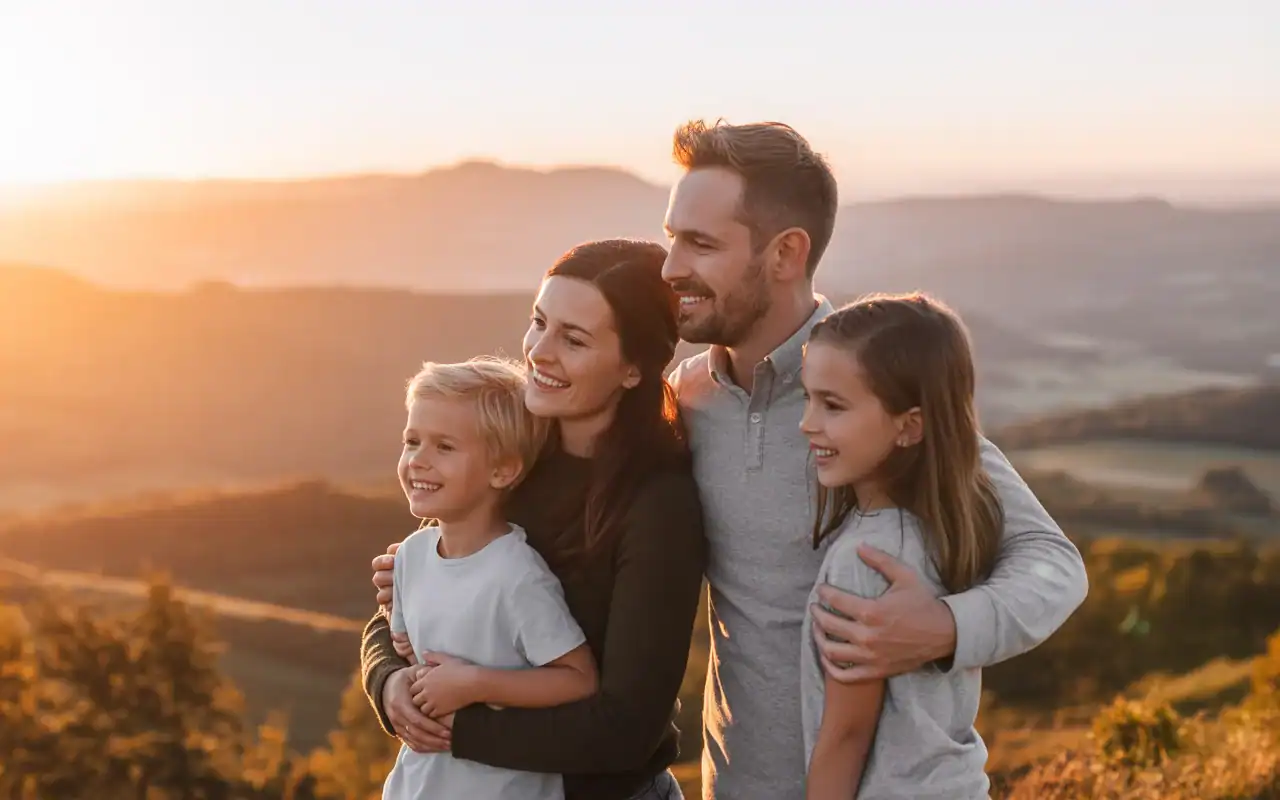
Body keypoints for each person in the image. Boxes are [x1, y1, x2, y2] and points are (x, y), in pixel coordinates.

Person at [659, 119, 1088, 798]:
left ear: (786, 253)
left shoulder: (870, 393)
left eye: (701, 244)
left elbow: (1053, 565)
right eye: (672, 237)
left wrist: (947, 627)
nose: (671, 266)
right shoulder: (683, 403)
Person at [362, 239, 706, 800]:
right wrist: (390, 684)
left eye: (572, 339)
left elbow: (627, 728)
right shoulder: (509, 454)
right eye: (539, 323)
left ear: (632, 370)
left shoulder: (657, 508)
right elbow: (408, 595)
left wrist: (457, 729)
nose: (539, 353)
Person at [798, 293, 1001, 799]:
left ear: (909, 427)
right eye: (808, 398)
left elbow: (846, 737)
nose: (807, 422)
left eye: (833, 405)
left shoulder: (865, 562)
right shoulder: (957, 523)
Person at [382, 356, 598, 800]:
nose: (418, 460)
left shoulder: (517, 575)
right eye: (412, 441)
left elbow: (578, 679)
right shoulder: (410, 555)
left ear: (503, 470)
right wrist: (397, 680)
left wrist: (476, 683)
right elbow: (405, 647)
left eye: (444, 447)